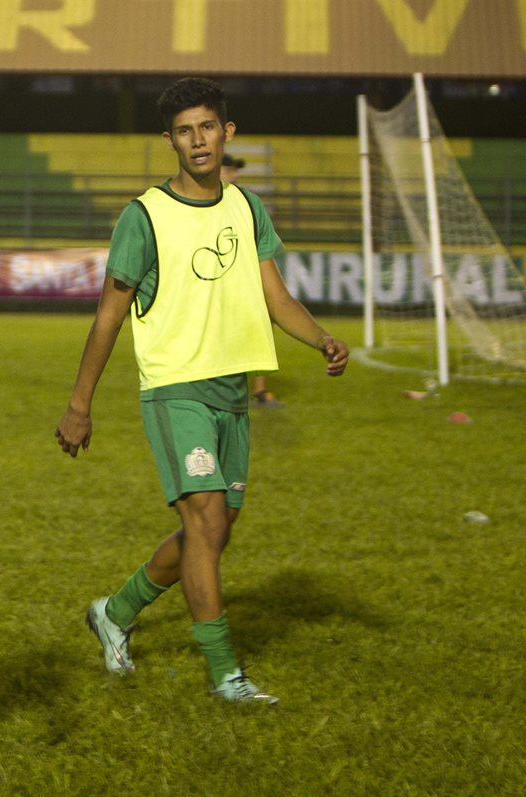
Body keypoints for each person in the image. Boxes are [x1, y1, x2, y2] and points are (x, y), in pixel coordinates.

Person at [55, 77, 347, 704]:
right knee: (206, 516)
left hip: (231, 390)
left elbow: (275, 297)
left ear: (227, 132)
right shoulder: (144, 217)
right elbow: (109, 315)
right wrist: (80, 404)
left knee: (213, 531)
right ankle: (226, 675)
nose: (199, 140)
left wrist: (321, 338)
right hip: (173, 389)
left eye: (208, 127)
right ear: (170, 142)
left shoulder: (246, 207)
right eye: (185, 131)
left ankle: (115, 611)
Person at [221, 153, 284, 408]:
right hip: (221, 283)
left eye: (235, 171)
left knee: (261, 328)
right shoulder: (209, 202)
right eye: (229, 170)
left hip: (246, 280)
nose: (234, 175)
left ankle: (259, 390)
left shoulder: (245, 203)